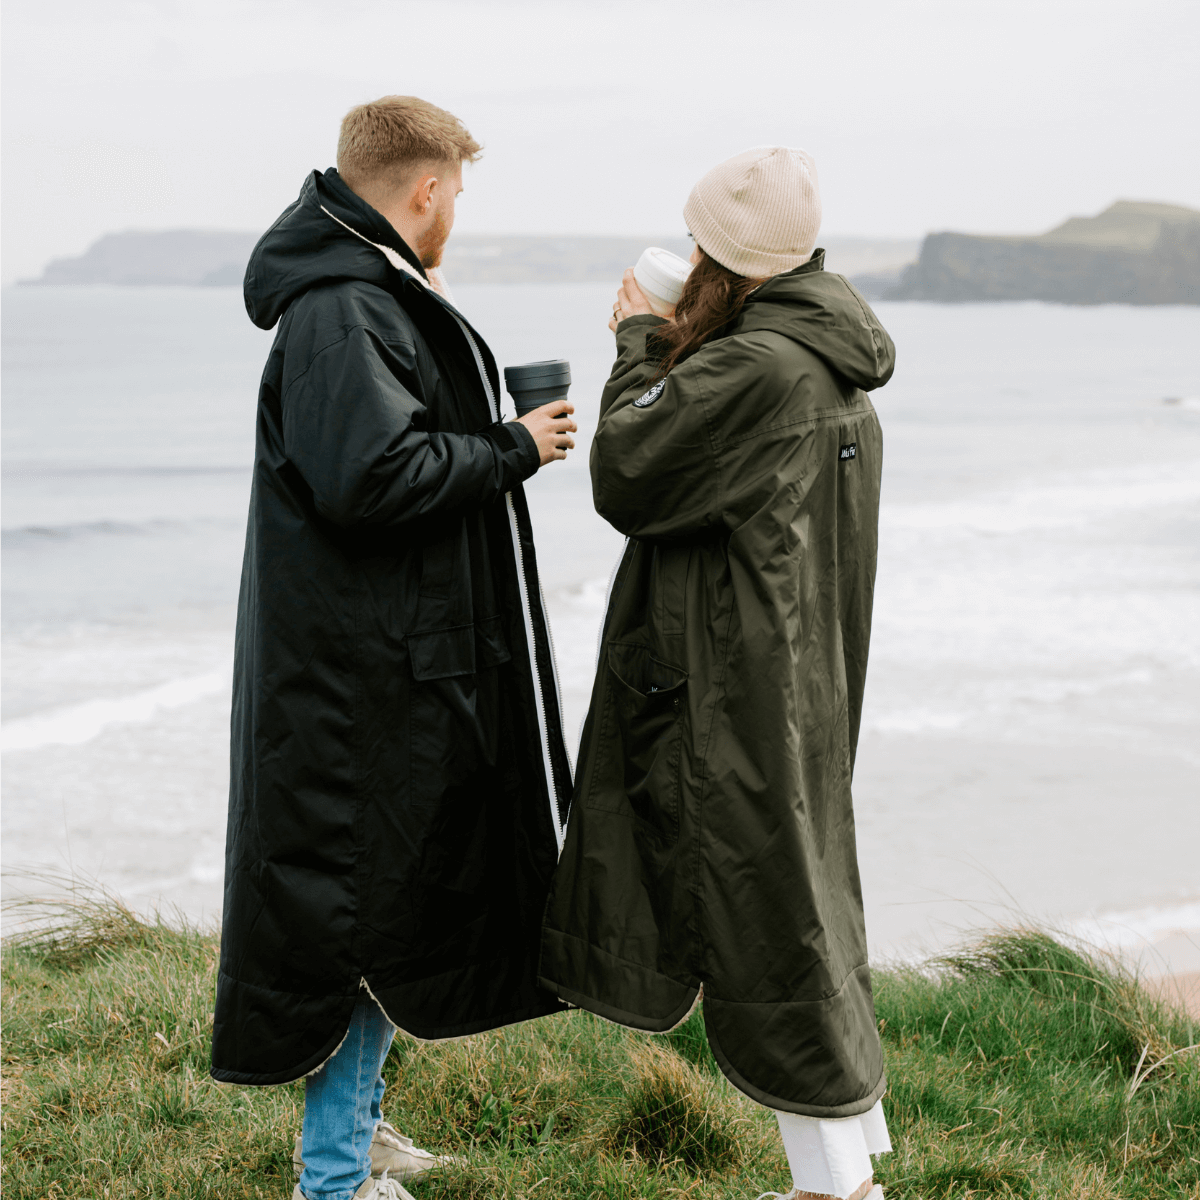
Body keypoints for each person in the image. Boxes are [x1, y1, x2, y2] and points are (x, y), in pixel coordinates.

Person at [210, 95, 578, 1200]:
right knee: (361, 916)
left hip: (378, 663)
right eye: (456, 193)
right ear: (424, 191)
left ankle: (360, 1130)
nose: (456, 212)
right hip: (353, 686)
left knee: (392, 902)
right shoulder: (342, 313)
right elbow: (369, 482)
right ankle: (334, 1179)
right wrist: (515, 446)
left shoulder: (365, 293)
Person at [539, 146, 896, 1200]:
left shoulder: (759, 367)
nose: (688, 255)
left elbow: (630, 471)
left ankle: (836, 1185)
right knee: (805, 901)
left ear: (733, 261)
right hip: (798, 681)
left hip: (735, 691)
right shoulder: (816, 351)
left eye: (702, 244)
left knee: (768, 920)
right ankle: (849, 1165)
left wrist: (637, 338)